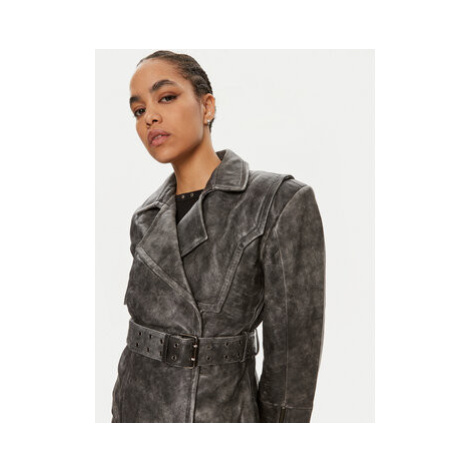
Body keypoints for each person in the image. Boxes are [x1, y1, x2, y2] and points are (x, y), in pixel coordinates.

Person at [111, 50, 326, 423]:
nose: (150, 117)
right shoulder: (146, 218)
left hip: (218, 413)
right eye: (138, 110)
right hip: (133, 408)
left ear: (207, 106)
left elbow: (293, 363)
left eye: (166, 97)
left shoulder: (276, 201)